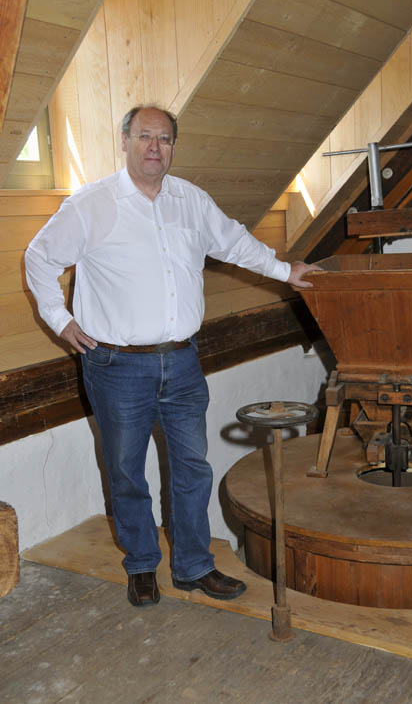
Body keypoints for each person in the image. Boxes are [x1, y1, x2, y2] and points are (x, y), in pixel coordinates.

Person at [25, 105, 318, 607]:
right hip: (116, 366)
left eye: (163, 139)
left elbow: (234, 243)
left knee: (192, 467)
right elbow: (39, 257)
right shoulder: (92, 204)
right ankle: (142, 564)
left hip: (182, 361)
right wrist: (60, 319)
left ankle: (193, 565)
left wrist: (285, 271)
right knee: (126, 471)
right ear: (125, 142)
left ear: (173, 147)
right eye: (144, 136)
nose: (154, 147)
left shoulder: (191, 200)